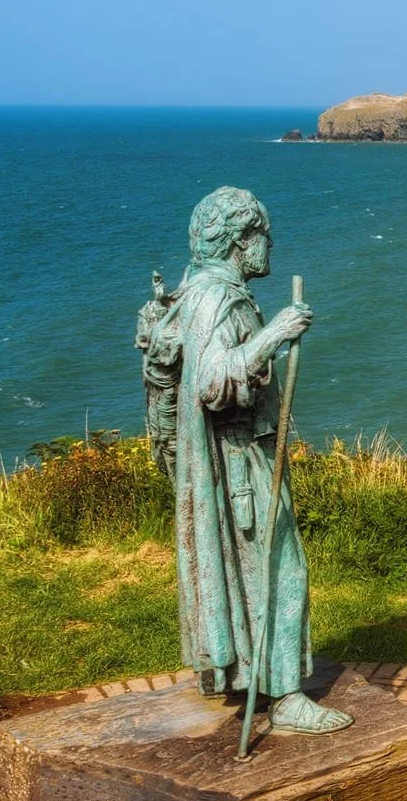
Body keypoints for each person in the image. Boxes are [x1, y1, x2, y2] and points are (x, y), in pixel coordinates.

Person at [144, 186, 353, 736]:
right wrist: (275, 336)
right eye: (264, 236)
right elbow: (214, 383)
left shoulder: (195, 292)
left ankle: (251, 674)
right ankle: (286, 696)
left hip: (226, 457)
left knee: (257, 569)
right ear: (241, 240)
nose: (271, 246)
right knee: (283, 568)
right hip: (239, 459)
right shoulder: (222, 300)